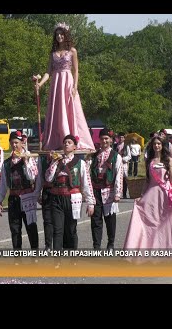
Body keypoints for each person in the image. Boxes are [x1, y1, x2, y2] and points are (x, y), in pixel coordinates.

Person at [35, 22, 94, 151]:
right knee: (57, 110)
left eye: (61, 34)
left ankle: (72, 139)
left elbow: (76, 70)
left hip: (68, 81)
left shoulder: (72, 51)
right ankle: (57, 139)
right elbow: (48, 72)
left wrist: (75, 87)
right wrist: (40, 83)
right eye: (57, 35)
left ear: (66, 35)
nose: (59, 37)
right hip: (56, 82)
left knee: (70, 109)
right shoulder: (53, 53)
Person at [124, 135, 172, 250]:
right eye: (154, 144)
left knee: (164, 222)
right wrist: (141, 196)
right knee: (151, 222)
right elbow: (147, 181)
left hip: (166, 194)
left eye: (159, 144)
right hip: (151, 194)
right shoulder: (149, 161)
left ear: (162, 146)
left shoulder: (168, 160)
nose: (156, 146)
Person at [44, 134, 95, 251]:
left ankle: (71, 257)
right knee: (57, 229)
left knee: (71, 229)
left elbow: (86, 183)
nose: (66, 144)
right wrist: (53, 163)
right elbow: (48, 178)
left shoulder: (80, 163)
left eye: (69, 142)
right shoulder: (57, 161)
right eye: (65, 142)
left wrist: (90, 203)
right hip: (57, 198)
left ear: (75, 147)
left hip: (72, 198)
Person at [0, 131, 39, 250]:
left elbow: (32, 176)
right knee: (15, 228)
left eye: (16, 143)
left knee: (31, 226)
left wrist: (25, 160)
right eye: (12, 143)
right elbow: (3, 183)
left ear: (22, 144)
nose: (14, 145)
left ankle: (35, 254)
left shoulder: (29, 159)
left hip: (27, 196)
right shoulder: (6, 163)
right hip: (13, 198)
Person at [88, 128, 123, 250]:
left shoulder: (116, 156)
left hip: (109, 190)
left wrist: (118, 193)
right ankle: (96, 246)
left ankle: (111, 244)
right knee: (96, 219)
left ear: (111, 140)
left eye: (106, 138)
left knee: (110, 219)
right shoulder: (94, 155)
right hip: (96, 190)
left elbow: (119, 174)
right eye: (102, 138)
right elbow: (88, 172)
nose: (104, 141)